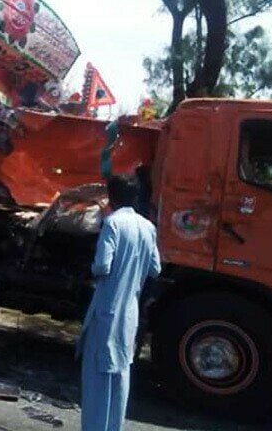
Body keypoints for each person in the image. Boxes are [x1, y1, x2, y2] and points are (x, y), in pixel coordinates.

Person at [77, 174, 161, 431]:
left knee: (97, 379)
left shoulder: (112, 223)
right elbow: (155, 268)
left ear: (111, 197)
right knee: (121, 373)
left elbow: (103, 265)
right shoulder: (148, 227)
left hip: (106, 308)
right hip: (129, 313)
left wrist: (92, 268)